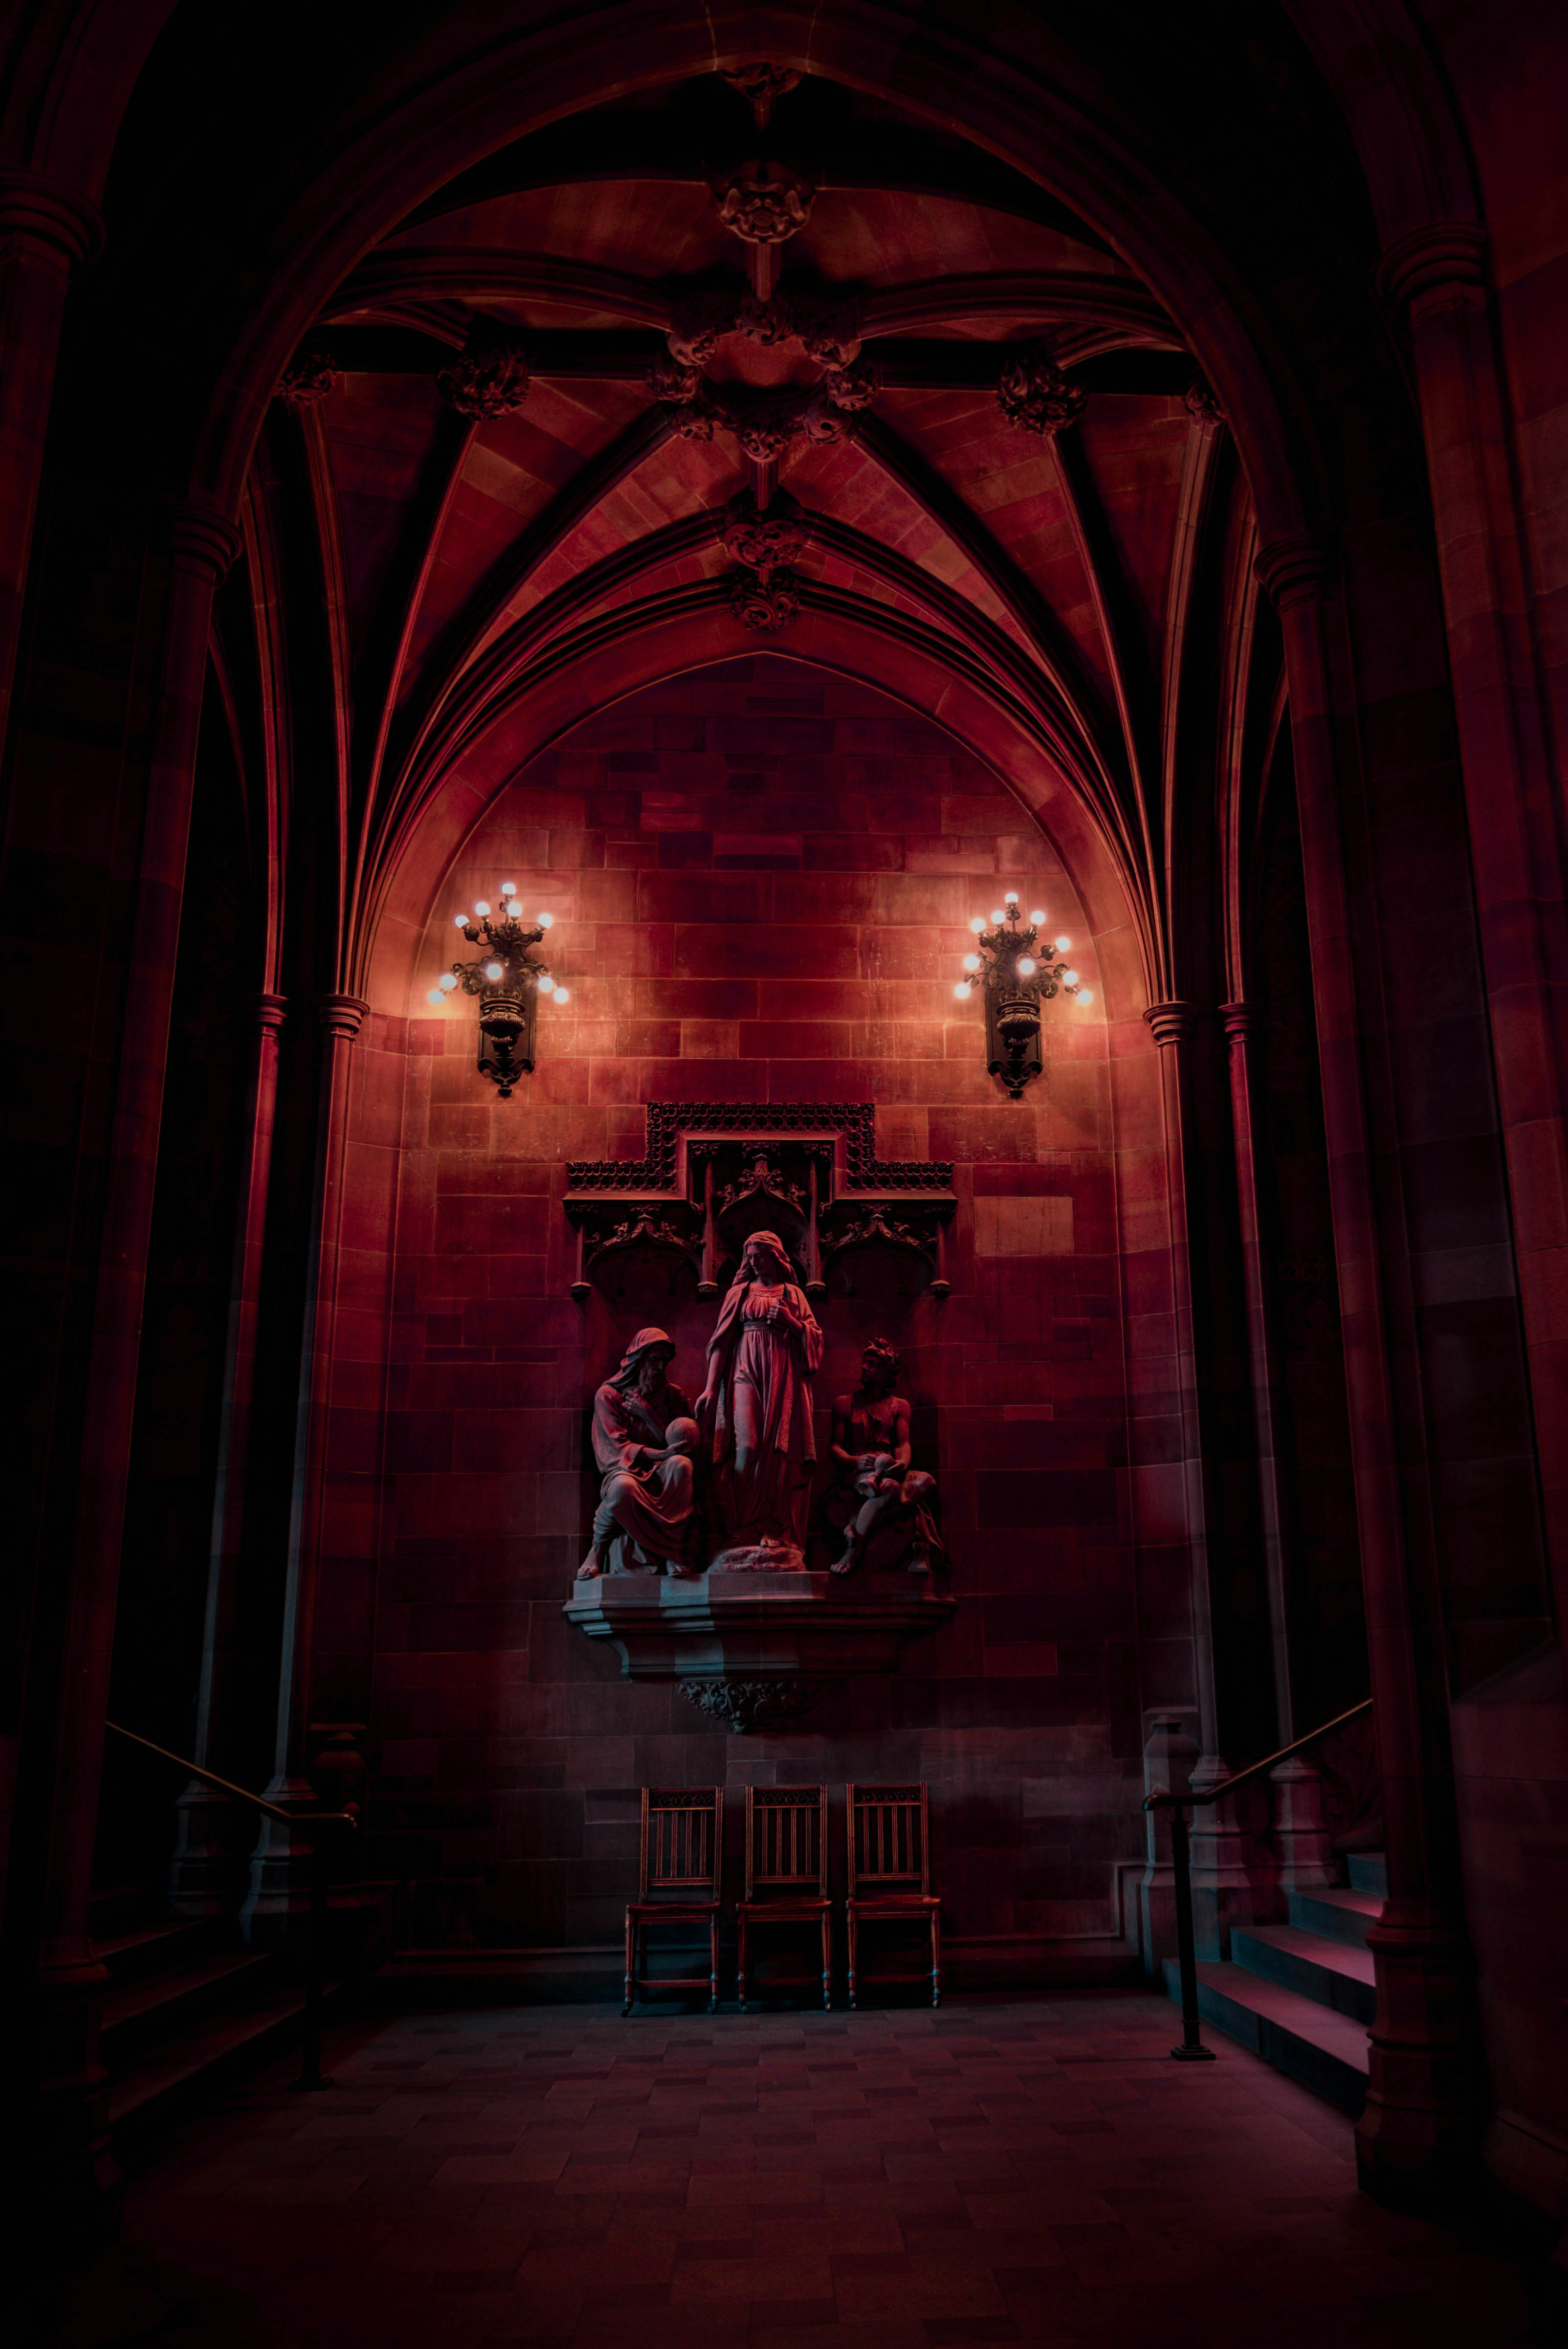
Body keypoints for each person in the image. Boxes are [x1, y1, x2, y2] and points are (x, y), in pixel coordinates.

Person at [697, 1230, 823, 1559]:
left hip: (782, 1373)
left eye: (759, 1256)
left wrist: (790, 1322)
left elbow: (815, 1340)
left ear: (776, 1257)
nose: (753, 1262)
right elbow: (720, 1342)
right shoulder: (738, 1293)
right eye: (749, 1256)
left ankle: (773, 1525)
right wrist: (710, 1387)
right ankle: (741, 1525)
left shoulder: (793, 1293)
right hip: (744, 1368)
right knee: (748, 1445)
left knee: (777, 1448)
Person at [575, 1329, 699, 1579]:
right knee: (623, 1489)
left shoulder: (673, 1396)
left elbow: (681, 1446)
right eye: (655, 1359)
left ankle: (672, 1551)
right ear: (638, 1360)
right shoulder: (609, 1396)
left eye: (665, 1361)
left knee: (682, 1466)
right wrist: (663, 1454)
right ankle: (597, 1550)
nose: (661, 1367)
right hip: (624, 1470)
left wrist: (648, 1415)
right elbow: (616, 1451)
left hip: (662, 1472)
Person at [826, 1338, 946, 1575]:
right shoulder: (845, 1403)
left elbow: (903, 1444)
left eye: (871, 1364)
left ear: (886, 1371)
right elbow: (835, 1448)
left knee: (926, 1482)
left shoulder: (899, 1406)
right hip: (858, 1470)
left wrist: (903, 1463)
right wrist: (855, 1461)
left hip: (888, 1467)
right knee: (891, 1490)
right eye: (864, 1363)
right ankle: (854, 1550)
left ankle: (855, 1524)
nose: (864, 1368)